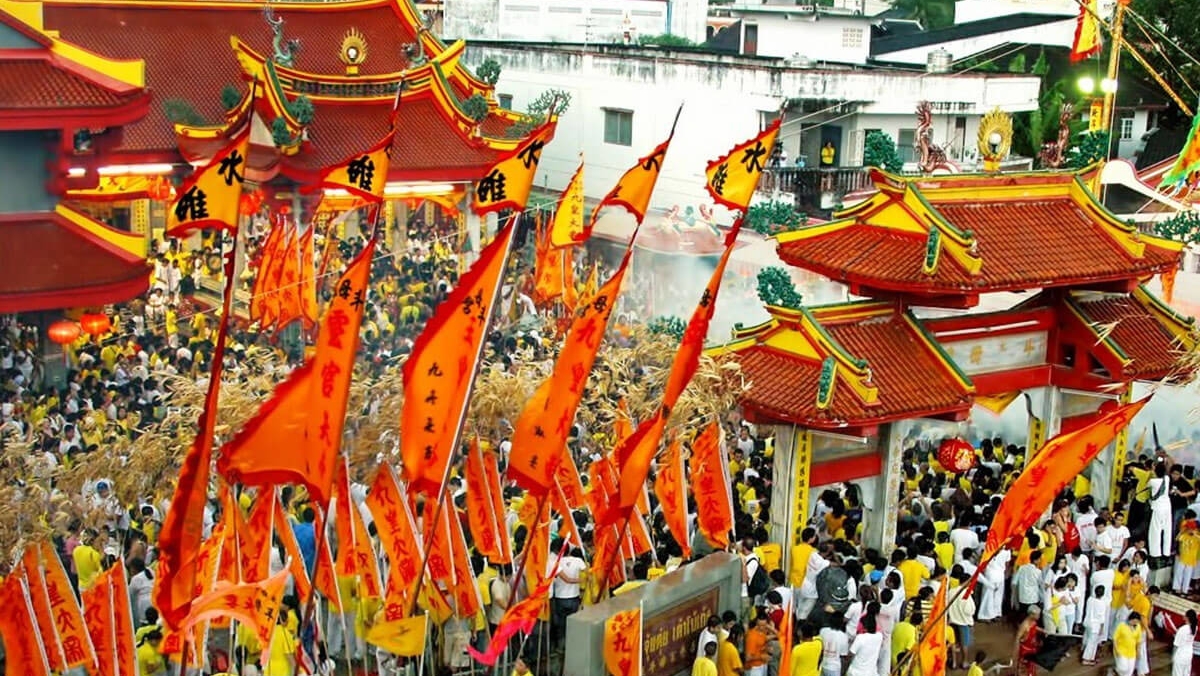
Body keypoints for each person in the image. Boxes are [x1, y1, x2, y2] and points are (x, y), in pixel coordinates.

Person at [1149, 463, 1173, 559]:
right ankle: (1166, 552)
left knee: (1155, 530)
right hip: (1167, 507)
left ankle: (1156, 553)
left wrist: (1152, 470)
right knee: (1167, 529)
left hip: (1158, 507)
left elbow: (1147, 485)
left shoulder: (1152, 481)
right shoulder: (1167, 479)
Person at [1081, 585, 1107, 666]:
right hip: (1095, 625)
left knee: (1086, 637)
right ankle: (1086, 659)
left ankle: (1083, 649)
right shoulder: (1102, 604)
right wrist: (1101, 628)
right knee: (1092, 642)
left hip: (1087, 622)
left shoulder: (1090, 599)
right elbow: (1102, 618)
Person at [1112, 612, 1144, 676]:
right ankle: (1117, 670)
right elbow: (1115, 638)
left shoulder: (1138, 627)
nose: (1135, 623)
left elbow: (1139, 640)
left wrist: (1138, 651)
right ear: (1130, 619)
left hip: (1132, 653)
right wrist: (1116, 649)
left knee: (1129, 671)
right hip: (1121, 650)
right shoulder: (1122, 626)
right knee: (1123, 668)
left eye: (1137, 622)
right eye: (1134, 621)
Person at [1013, 606, 1042, 676]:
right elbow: (1017, 638)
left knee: (1032, 668)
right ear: (1031, 614)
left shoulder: (1033, 621)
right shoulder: (1024, 625)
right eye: (1037, 615)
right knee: (1023, 669)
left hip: (1032, 648)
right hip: (1025, 651)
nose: (1039, 616)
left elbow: (1034, 627)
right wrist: (1016, 652)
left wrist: (1043, 630)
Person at [1171, 609, 1197, 676]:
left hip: (1180, 655)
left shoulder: (1183, 629)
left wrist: (1173, 656)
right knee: (1186, 673)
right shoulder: (1195, 628)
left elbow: (1176, 645)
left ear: (1187, 617)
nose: (1183, 616)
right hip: (1188, 654)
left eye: (1185, 615)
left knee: (1177, 673)